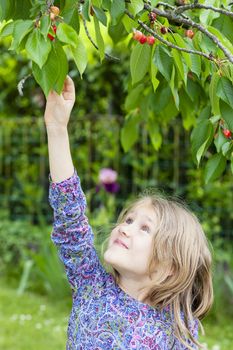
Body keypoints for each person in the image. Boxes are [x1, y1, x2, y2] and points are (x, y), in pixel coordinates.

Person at [44, 76, 213, 350]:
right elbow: (69, 215)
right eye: (129, 220)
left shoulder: (174, 335)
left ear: (169, 267)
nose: (125, 227)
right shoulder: (91, 285)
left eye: (145, 228)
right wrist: (56, 128)